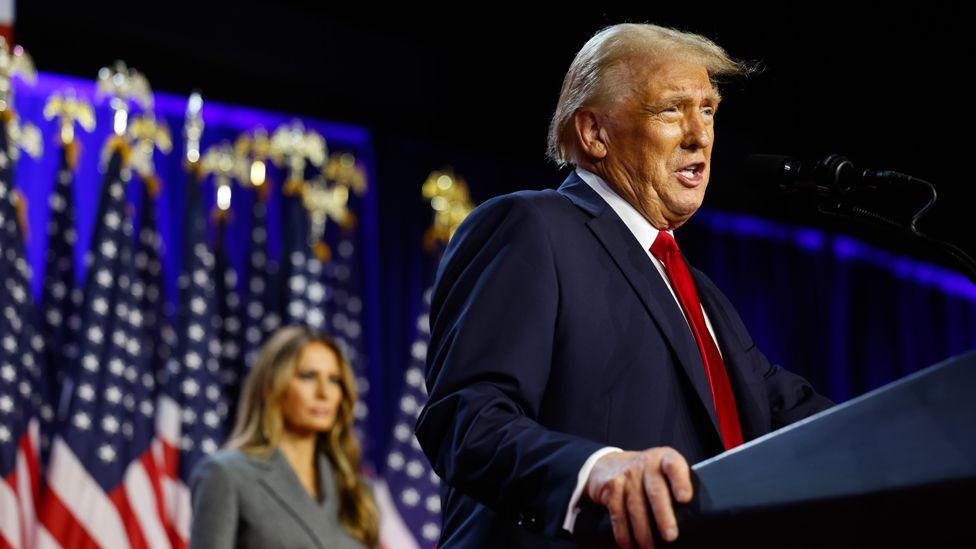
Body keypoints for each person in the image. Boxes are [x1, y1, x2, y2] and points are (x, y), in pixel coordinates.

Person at [415, 23, 833, 548]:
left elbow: (793, 415)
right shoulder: (530, 227)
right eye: (670, 109)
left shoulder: (702, 296)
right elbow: (465, 417)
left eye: (707, 110)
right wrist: (595, 472)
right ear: (594, 133)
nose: (699, 134)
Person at [189, 326, 379, 548]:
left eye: (334, 380)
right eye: (308, 376)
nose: (324, 393)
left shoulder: (356, 490)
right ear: (272, 385)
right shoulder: (225, 474)